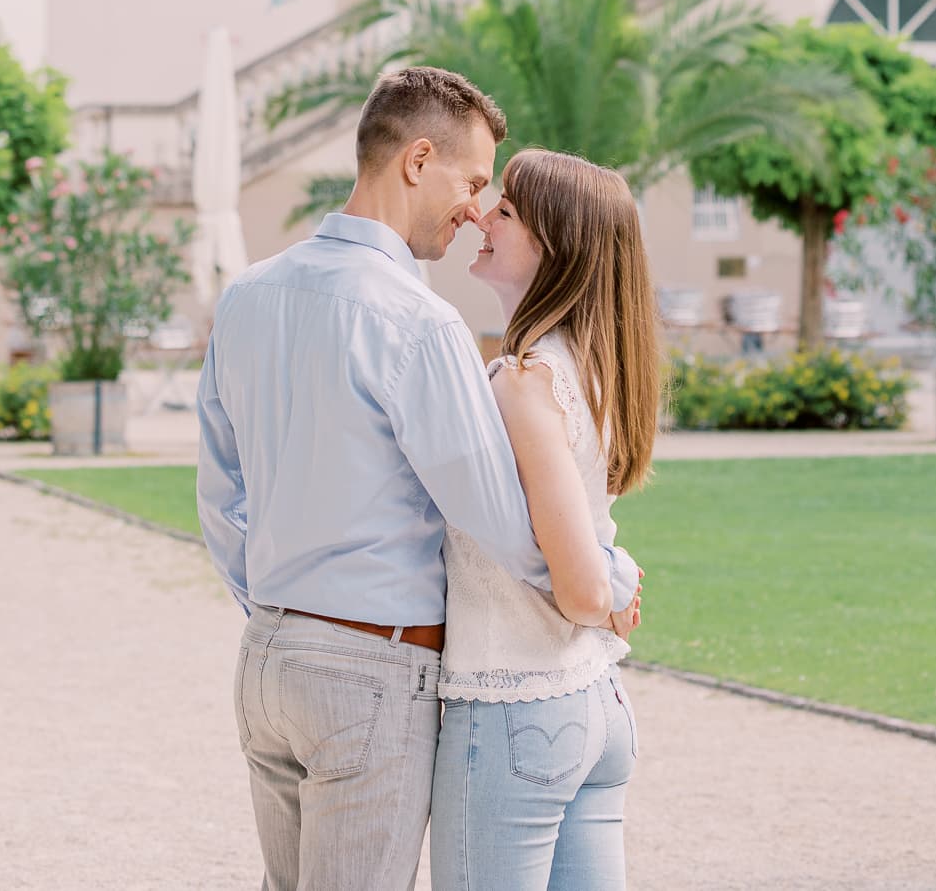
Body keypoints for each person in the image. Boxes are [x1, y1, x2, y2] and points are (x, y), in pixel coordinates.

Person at [196, 67, 640, 891]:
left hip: (266, 659)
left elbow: (222, 496)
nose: (476, 205)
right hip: (371, 670)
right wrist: (605, 579)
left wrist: (278, 610)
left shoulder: (247, 294)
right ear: (417, 159)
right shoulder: (418, 320)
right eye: (473, 181)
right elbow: (499, 517)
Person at [431, 148, 662, 891]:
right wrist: (615, 572)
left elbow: (580, 591)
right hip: (590, 704)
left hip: (513, 707)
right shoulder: (592, 368)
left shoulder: (526, 380)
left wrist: (609, 585)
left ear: (553, 245)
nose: (480, 215)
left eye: (505, 210)